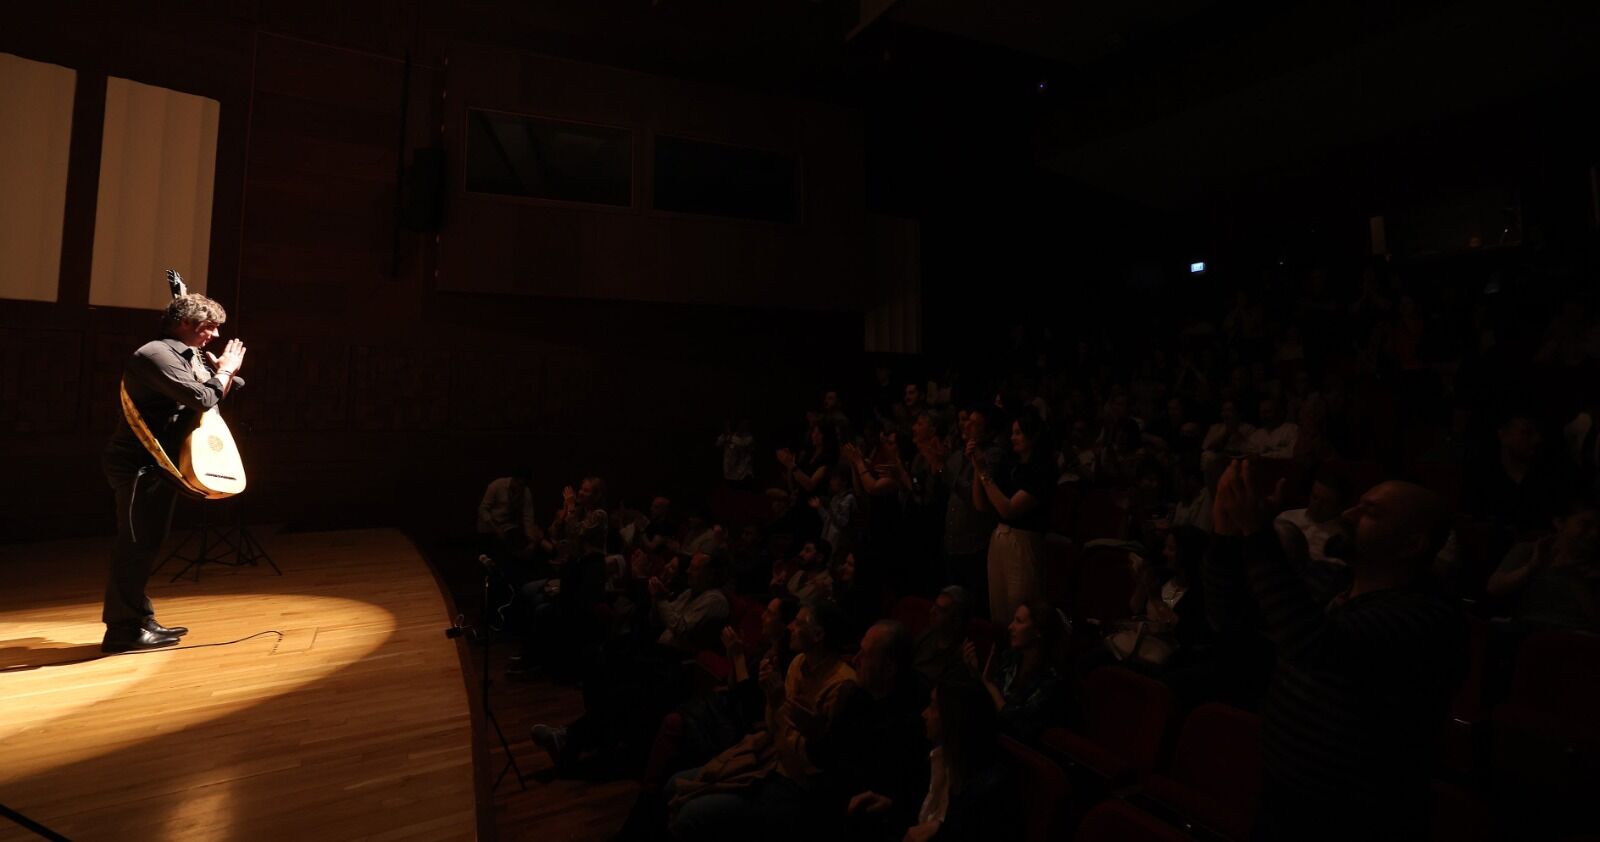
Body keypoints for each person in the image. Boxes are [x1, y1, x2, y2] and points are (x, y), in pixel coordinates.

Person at [1212, 461, 1466, 840]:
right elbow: (1229, 620)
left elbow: (1312, 645)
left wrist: (1257, 531)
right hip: (1285, 797)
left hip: (1353, 818)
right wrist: (1224, 534)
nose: (1348, 514)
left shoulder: (1427, 617)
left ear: (1413, 543)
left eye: (1371, 511)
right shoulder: (1333, 584)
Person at [101, 292, 246, 652]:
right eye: (209, 327)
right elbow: (203, 398)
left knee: (149, 541)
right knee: (135, 544)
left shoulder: (183, 357)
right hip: (138, 462)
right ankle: (121, 631)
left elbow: (213, 394)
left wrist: (219, 375)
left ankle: (139, 618)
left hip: (159, 464)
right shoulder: (155, 354)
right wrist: (223, 372)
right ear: (184, 323)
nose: (214, 335)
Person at [970, 412, 1054, 621]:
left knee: (1019, 607)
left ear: (1032, 436)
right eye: (1012, 432)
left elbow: (1008, 509)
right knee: (998, 609)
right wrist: (976, 467)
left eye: (1018, 433)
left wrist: (983, 471)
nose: (1012, 437)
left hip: (1023, 542)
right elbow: (982, 504)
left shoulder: (1042, 471)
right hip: (1000, 538)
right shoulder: (1012, 467)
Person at [1485, 495, 1600, 632]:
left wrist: (1576, 580)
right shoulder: (1530, 550)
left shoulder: (1595, 563)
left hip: (1576, 637)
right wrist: (1531, 567)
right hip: (1525, 631)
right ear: (1560, 522)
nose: (1595, 533)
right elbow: (1494, 588)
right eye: (1586, 524)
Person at [962, 598, 1068, 743]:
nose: (1010, 627)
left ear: (1038, 631)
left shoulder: (1051, 678)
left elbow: (1016, 723)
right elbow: (989, 704)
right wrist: (974, 673)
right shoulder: (1012, 658)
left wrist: (988, 683)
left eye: (1019, 621)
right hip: (996, 737)